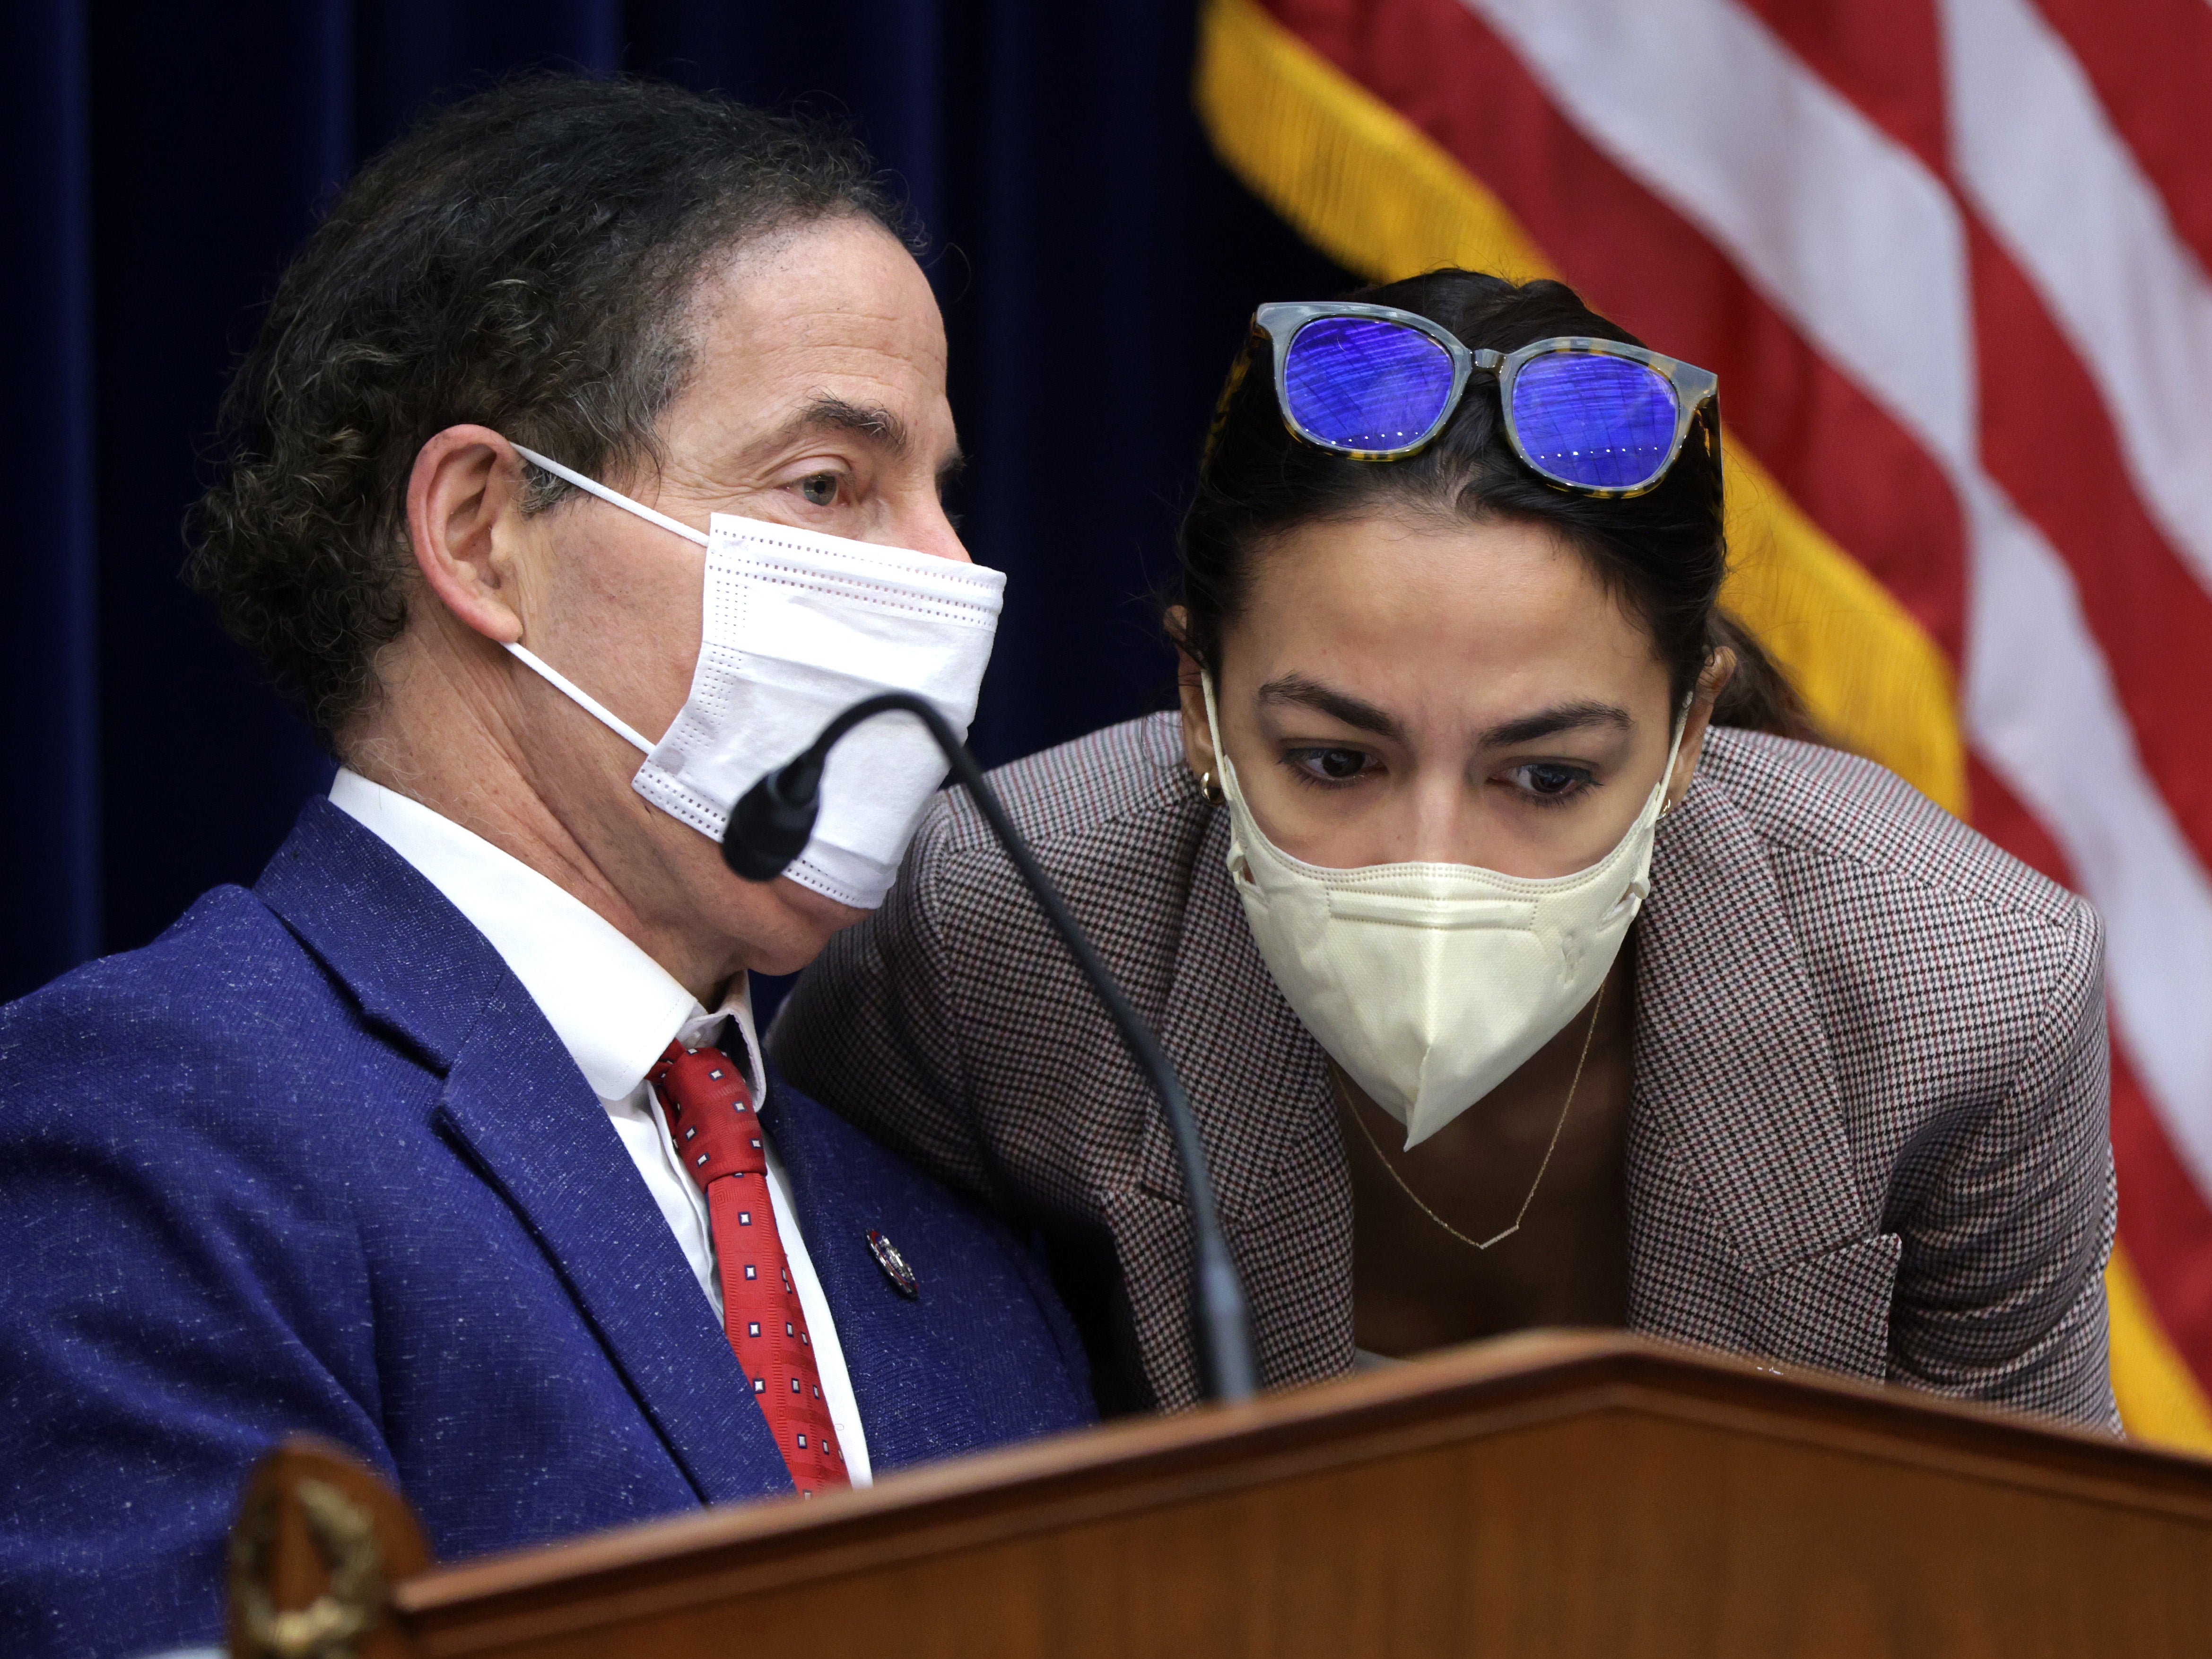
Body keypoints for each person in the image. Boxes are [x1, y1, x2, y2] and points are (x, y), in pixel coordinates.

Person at [0, 78, 1093, 1659]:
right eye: (829, 485)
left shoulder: (954, 1242)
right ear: (483, 531)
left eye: (944, 492)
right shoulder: (147, 1126)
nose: (947, 575)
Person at [772, 270, 2116, 1429]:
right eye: (1336, 760)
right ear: (1197, 703)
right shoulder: (1003, 931)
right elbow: (848, 1451)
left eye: (1545, 775)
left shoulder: (1968, 997)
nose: (1433, 862)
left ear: (1689, 732)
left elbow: (2029, 1582)